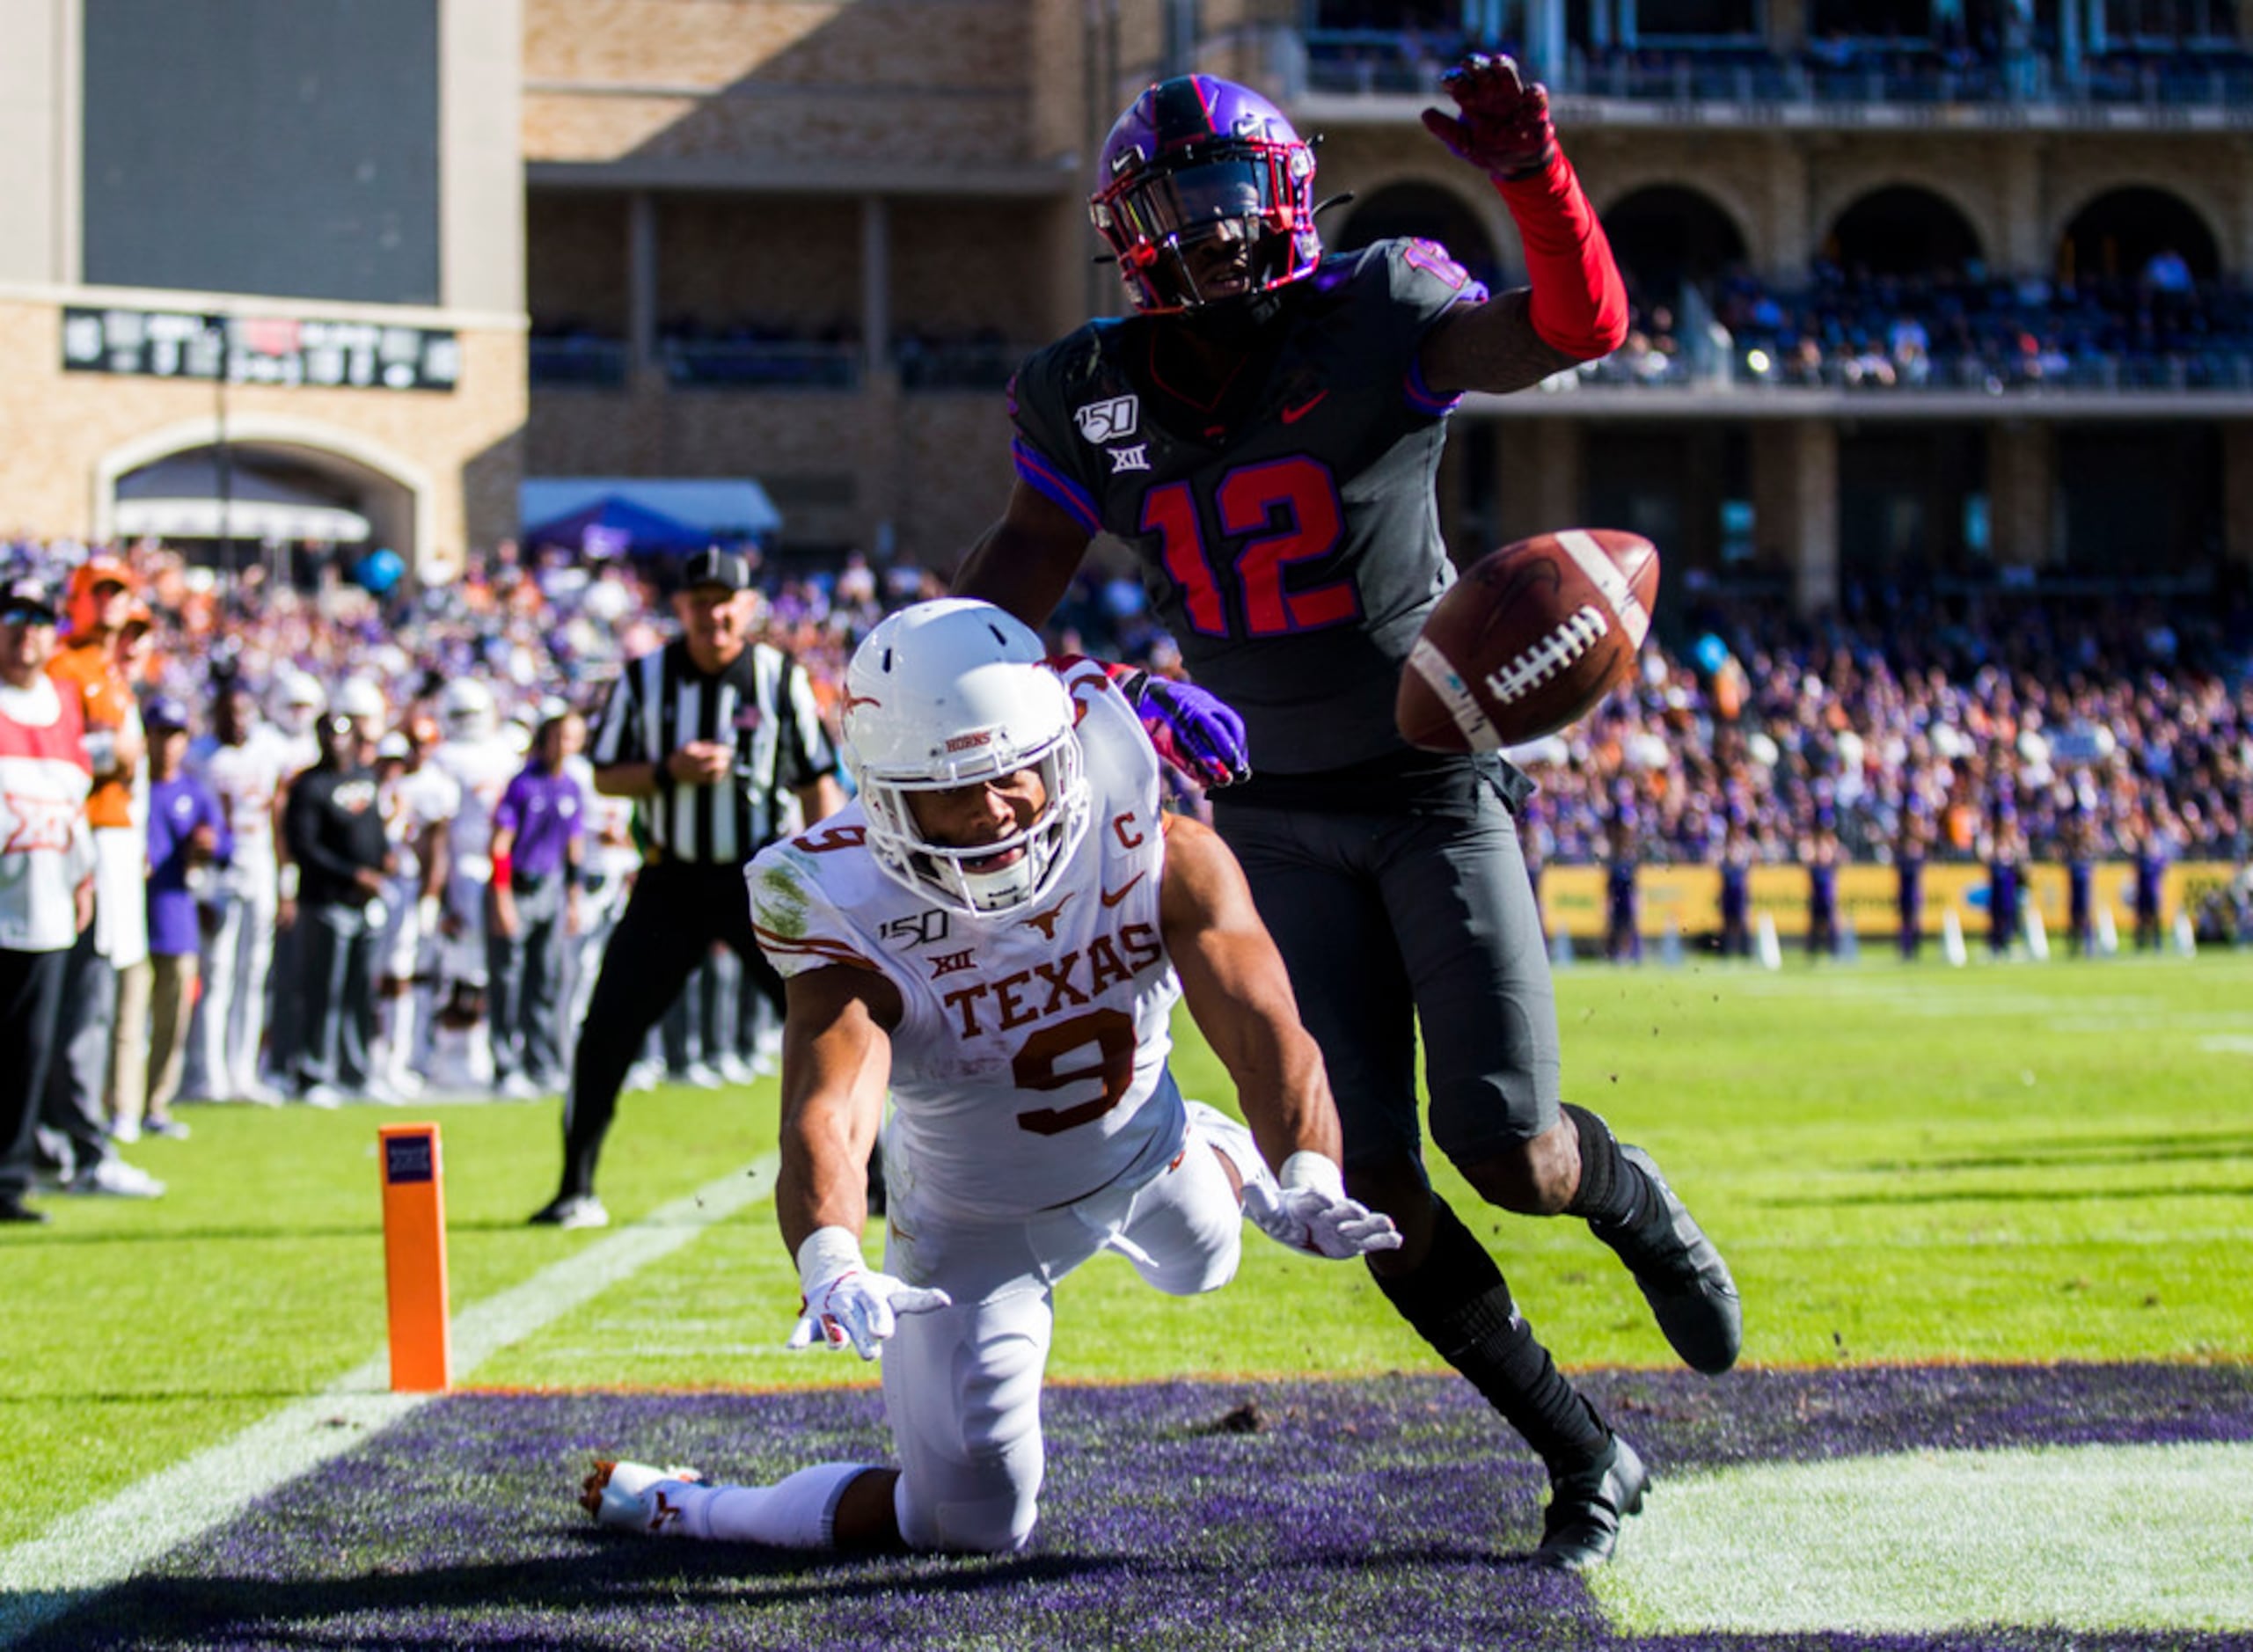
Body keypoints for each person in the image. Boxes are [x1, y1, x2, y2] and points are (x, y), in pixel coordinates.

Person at [952, 62, 1739, 1568]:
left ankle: (1632, 1202)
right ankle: (1583, 1450)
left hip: (1428, 785)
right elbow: (1018, 572)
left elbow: (1577, 328)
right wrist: (932, 684)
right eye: (1173, 212)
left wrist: (1538, 178)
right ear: (1126, 230)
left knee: (1506, 1146)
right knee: (1367, 1178)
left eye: (1232, 201)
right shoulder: (1087, 388)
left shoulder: (1376, 312)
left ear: (1290, 201)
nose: (1208, 236)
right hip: (1261, 819)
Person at [581, 600, 1399, 1554]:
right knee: (967, 1526)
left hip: (1146, 1151)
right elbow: (830, 1108)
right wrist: (831, 1257)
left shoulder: (1155, 844)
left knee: (1208, 1263)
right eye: (948, 790)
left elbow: (1264, 1027)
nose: (990, 810)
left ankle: (1215, 1148)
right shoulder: (844, 905)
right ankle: (693, 1506)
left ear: (1058, 754)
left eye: (1009, 772)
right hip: (972, 1224)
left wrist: (1306, 1169)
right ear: (884, 798)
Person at [529, 547, 846, 1230]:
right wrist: (670, 771)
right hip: (671, 878)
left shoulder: (778, 678)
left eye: (725, 600)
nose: (714, 614)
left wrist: (828, 879)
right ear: (681, 609)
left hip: (758, 878)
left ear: (747, 606)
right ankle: (574, 1186)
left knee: (821, 1020)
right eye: (700, 601)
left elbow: (816, 780)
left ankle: (870, 1179)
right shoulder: (643, 680)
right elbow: (608, 775)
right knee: (607, 1028)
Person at [43, 554, 161, 1197]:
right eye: (103, 592)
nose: (113, 604)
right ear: (80, 599)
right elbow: (52, 746)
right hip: (85, 834)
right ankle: (81, 1142)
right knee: (83, 998)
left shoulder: (106, 668)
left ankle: (71, 1137)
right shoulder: (66, 665)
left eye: (121, 593)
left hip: (114, 834)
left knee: (98, 990)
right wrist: (106, 752)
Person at [0, 576, 96, 1224]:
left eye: (38, 622)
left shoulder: (63, 704)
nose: (26, 633)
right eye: (14, 619)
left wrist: (82, 876)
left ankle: (9, 1178)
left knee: (30, 1050)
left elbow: (76, 805)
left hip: (46, 902)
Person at [183, 681, 293, 1105]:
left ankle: (243, 1071)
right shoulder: (200, 757)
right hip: (219, 872)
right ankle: (208, 1073)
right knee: (217, 973)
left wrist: (287, 882)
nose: (238, 721)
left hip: (260, 864)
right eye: (230, 713)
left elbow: (278, 818)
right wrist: (198, 884)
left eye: (245, 711)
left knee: (253, 974)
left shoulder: (269, 748)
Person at [282, 708, 393, 1104]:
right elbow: (304, 846)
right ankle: (314, 1072)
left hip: (366, 902)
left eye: (343, 735)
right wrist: (352, 874)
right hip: (326, 900)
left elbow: (375, 828)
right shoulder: (309, 786)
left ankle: (357, 1072)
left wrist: (383, 862)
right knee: (322, 988)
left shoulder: (365, 778)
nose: (336, 743)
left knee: (362, 991)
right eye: (329, 735)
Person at [137, 695, 227, 1139]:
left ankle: (155, 1104)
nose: (166, 744)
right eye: (159, 733)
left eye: (175, 735)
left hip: (176, 919)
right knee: (125, 1023)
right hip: (130, 922)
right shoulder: (131, 788)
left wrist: (208, 846)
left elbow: (225, 846)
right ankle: (118, 1104)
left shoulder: (194, 792)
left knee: (172, 1024)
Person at [487, 707, 587, 1099]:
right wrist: (502, 898)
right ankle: (505, 1066)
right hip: (519, 887)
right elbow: (500, 844)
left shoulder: (572, 787)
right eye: (562, 737)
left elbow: (574, 847)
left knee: (545, 978)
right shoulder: (522, 785)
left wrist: (574, 898)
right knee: (508, 980)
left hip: (551, 888)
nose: (568, 746)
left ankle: (540, 1061)